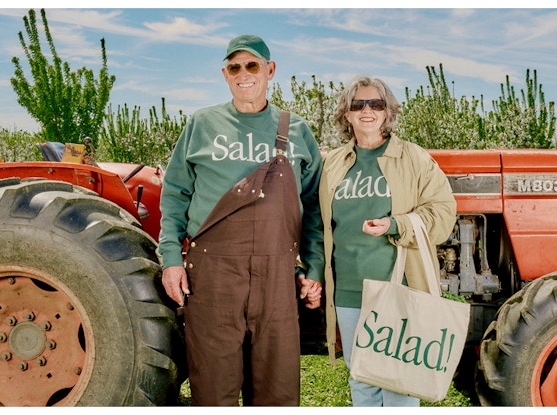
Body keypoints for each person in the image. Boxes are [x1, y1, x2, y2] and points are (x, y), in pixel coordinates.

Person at [158, 34, 324, 406]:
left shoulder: (296, 129)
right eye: (234, 67)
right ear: (225, 74)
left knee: (277, 388)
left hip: (277, 275)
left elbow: (314, 205)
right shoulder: (201, 124)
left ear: (270, 70)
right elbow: (174, 195)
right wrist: (171, 258)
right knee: (214, 386)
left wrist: (314, 268)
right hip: (213, 274)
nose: (243, 74)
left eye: (252, 65)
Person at [318, 75, 457, 406]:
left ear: (387, 112)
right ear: (346, 115)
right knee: (362, 381)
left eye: (376, 104)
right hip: (350, 291)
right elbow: (319, 222)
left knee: (398, 386)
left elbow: (442, 213)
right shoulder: (333, 164)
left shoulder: (414, 158)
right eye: (358, 104)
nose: (367, 110)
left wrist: (397, 225)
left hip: (397, 288)